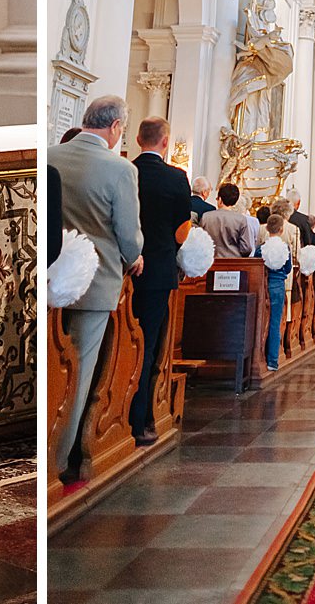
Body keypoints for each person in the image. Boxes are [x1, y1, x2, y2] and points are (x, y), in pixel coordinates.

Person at [49, 96, 142, 479]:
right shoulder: (119, 168)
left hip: (51, 276)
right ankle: (60, 464)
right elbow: (128, 236)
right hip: (95, 282)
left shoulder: (51, 155)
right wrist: (135, 254)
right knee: (80, 372)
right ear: (117, 127)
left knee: (52, 363)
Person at [129, 117, 190, 446]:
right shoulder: (176, 178)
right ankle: (141, 422)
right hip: (157, 269)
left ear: (138, 138)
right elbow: (182, 229)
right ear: (165, 143)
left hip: (122, 269)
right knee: (148, 345)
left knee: (119, 343)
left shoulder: (125, 170)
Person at [253, 215, 293, 371]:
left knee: (261, 320)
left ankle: (259, 356)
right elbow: (288, 268)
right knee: (275, 322)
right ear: (282, 229)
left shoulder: (260, 248)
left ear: (267, 229)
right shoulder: (285, 248)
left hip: (263, 284)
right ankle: (273, 360)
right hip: (278, 285)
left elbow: (256, 265)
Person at [202, 182, 254, 258]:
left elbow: (200, 241)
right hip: (233, 263)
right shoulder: (241, 219)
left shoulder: (206, 217)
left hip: (210, 261)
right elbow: (246, 248)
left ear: (220, 199)